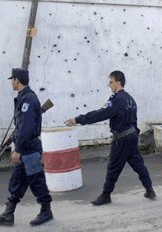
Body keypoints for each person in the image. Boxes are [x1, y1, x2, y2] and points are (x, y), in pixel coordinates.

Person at [64, 70, 156, 206]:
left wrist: (78, 119)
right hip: (131, 136)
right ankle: (149, 189)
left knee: (113, 167)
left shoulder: (117, 100)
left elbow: (100, 114)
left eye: (111, 82)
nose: (110, 85)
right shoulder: (130, 99)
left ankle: (106, 195)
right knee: (138, 164)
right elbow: (134, 120)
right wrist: (134, 134)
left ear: (118, 83)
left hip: (122, 138)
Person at [0, 68, 53, 226]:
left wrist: (17, 150)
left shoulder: (27, 100)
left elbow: (26, 128)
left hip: (29, 150)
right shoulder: (24, 97)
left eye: (12, 79)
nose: (11, 82)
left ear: (17, 81)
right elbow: (21, 126)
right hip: (26, 148)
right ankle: (9, 213)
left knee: (36, 181)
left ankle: (46, 211)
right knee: (17, 181)